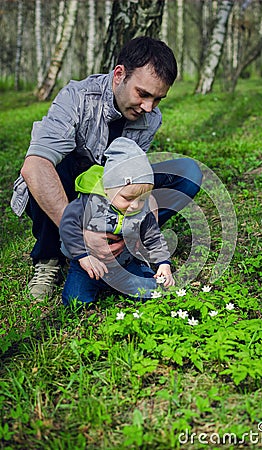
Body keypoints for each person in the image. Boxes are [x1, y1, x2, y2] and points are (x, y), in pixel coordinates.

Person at [11, 36, 202, 300]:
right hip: (75, 194)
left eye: (158, 99)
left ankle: (126, 242)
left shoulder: (150, 117)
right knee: (49, 166)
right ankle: (50, 257)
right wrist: (83, 233)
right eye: (143, 94)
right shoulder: (76, 97)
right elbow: (34, 167)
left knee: (189, 173)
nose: (148, 107)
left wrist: (135, 223)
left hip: (114, 192)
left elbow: (135, 177)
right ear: (119, 74)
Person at [60, 137, 174, 305]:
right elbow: (68, 226)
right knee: (74, 300)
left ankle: (139, 270)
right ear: (107, 188)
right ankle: (94, 285)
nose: (135, 205)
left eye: (142, 199)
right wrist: (83, 256)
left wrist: (164, 263)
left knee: (153, 291)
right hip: (88, 266)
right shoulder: (89, 202)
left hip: (124, 265)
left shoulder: (142, 210)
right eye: (127, 198)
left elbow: (153, 237)